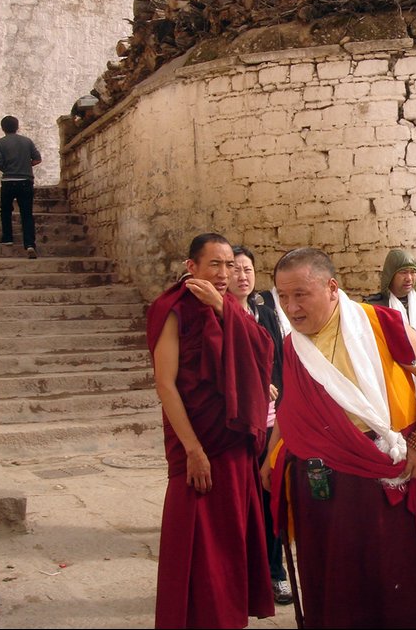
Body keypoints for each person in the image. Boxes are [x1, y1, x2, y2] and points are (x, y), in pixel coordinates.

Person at [265, 247, 416, 628]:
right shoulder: (294, 344)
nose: (291, 307)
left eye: (300, 294)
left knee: (397, 577)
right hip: (323, 486)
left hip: (384, 473)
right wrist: (272, 455)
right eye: (282, 297)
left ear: (331, 287)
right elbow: (292, 405)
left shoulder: (378, 324)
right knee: (336, 582)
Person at [146, 233, 275, 628]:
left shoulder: (230, 309)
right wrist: (193, 450)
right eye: (215, 265)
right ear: (192, 267)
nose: (225, 273)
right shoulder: (173, 309)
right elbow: (166, 384)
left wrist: (221, 306)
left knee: (232, 539)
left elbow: (263, 353)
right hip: (199, 445)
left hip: (234, 443)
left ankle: (230, 617)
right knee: (197, 541)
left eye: (230, 265)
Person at [228, 246, 292, 606]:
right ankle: (241, 575)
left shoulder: (265, 313)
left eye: (248, 269)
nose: (242, 276)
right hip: (238, 426)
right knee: (241, 502)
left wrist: (281, 399)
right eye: (235, 269)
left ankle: (275, 573)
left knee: (271, 500)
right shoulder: (219, 316)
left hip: (270, 424)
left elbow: (278, 361)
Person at [0, 115, 41, 258]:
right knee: (27, 213)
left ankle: (7, 237)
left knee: (6, 209)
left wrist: (8, 169)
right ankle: (30, 244)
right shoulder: (27, 141)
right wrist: (26, 165)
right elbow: (37, 159)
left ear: (3, 128)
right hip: (26, 181)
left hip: (8, 180)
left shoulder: (0, 143)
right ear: (17, 126)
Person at [364, 248, 416, 333]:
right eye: (403, 272)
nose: (409, 278)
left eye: (413, 272)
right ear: (390, 275)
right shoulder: (375, 307)